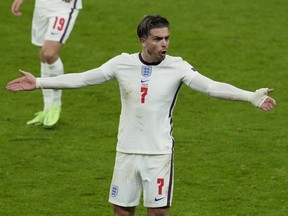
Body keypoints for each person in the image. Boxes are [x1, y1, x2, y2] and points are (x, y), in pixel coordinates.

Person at [7, 15, 276, 216]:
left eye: (167, 38)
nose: (164, 44)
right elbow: (83, 79)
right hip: (126, 151)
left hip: (158, 154)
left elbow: (211, 87)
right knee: (121, 211)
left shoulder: (177, 67)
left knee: (158, 213)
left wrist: (250, 96)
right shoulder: (121, 63)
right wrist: (40, 82)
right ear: (143, 40)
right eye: (158, 39)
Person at [11, 0, 82, 128]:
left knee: (49, 53)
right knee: (43, 54)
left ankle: (56, 104)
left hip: (63, 6)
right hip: (42, 5)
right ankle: (47, 107)